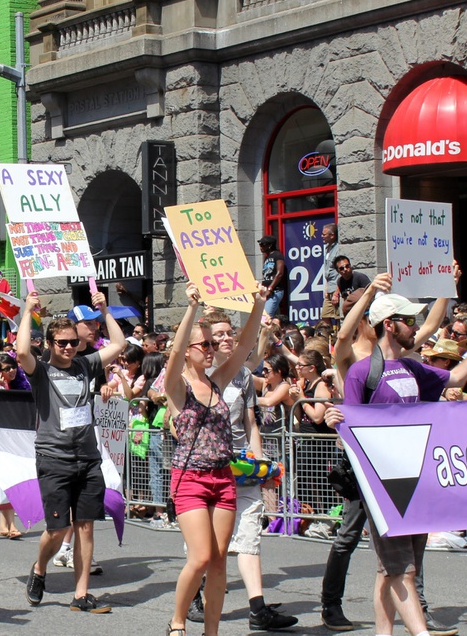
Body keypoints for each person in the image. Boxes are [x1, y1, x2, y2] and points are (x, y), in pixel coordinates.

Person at [326, 294, 467, 636]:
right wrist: (335, 419)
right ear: (389, 324)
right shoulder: (361, 371)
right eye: (409, 321)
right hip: (381, 485)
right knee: (404, 569)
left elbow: (456, 378)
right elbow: (349, 423)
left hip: (414, 479)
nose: (415, 327)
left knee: (389, 569)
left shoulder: (412, 366)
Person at [163, 282, 274, 636]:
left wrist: (258, 305)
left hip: (223, 477)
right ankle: (178, 622)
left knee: (218, 559)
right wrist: (191, 309)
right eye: (205, 344)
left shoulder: (218, 381)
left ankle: (211, 631)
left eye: (213, 344)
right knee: (198, 557)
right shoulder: (177, 386)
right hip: (190, 479)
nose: (211, 350)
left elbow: (243, 348)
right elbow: (177, 351)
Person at [19, 290, 126, 615]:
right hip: (53, 459)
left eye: (73, 342)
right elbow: (22, 350)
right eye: (61, 343)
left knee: (86, 526)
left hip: (88, 460)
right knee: (56, 529)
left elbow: (119, 345)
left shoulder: (85, 365)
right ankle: (39, 569)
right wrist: (28, 311)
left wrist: (106, 311)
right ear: (50, 344)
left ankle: (81, 594)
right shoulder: (41, 372)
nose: (68, 348)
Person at [257, 236, 287, 316]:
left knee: (266, 316)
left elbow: (280, 273)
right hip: (266, 292)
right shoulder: (267, 258)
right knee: (273, 318)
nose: (260, 247)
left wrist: (270, 288)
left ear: (270, 245)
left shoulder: (277, 255)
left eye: (262, 245)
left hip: (274, 291)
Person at [320, 224, 341, 322]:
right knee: (325, 316)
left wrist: (337, 293)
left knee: (338, 317)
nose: (322, 236)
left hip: (336, 288)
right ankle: (329, 336)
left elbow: (340, 273)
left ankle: (338, 336)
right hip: (329, 289)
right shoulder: (327, 248)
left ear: (332, 235)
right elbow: (328, 271)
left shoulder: (338, 249)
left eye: (324, 234)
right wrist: (326, 288)